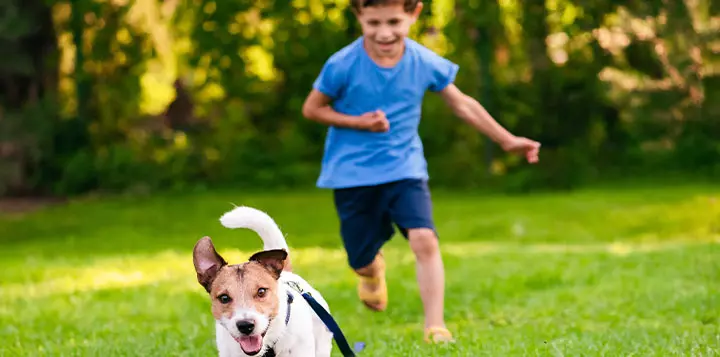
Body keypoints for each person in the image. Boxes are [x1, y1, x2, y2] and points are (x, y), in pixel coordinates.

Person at [301, 0, 540, 344]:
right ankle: (371, 272)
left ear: (413, 15)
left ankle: (435, 326)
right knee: (361, 259)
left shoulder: (422, 60)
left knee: (424, 239)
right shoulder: (342, 64)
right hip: (352, 174)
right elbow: (312, 108)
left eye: (394, 21)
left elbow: (462, 103)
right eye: (374, 23)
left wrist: (507, 140)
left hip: (405, 168)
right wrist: (358, 123)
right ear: (359, 17)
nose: (384, 32)